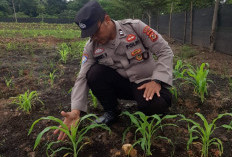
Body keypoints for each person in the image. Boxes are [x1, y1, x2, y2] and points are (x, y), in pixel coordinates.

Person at [54, 0, 173, 140]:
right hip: (122, 85)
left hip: (146, 83)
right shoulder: (91, 47)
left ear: (107, 19)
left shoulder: (135, 27)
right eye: (89, 34)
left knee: (155, 107)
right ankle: (112, 111)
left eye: (95, 31)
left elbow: (165, 51)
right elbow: (82, 77)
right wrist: (75, 110)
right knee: (93, 73)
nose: (94, 37)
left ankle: (154, 102)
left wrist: (157, 80)